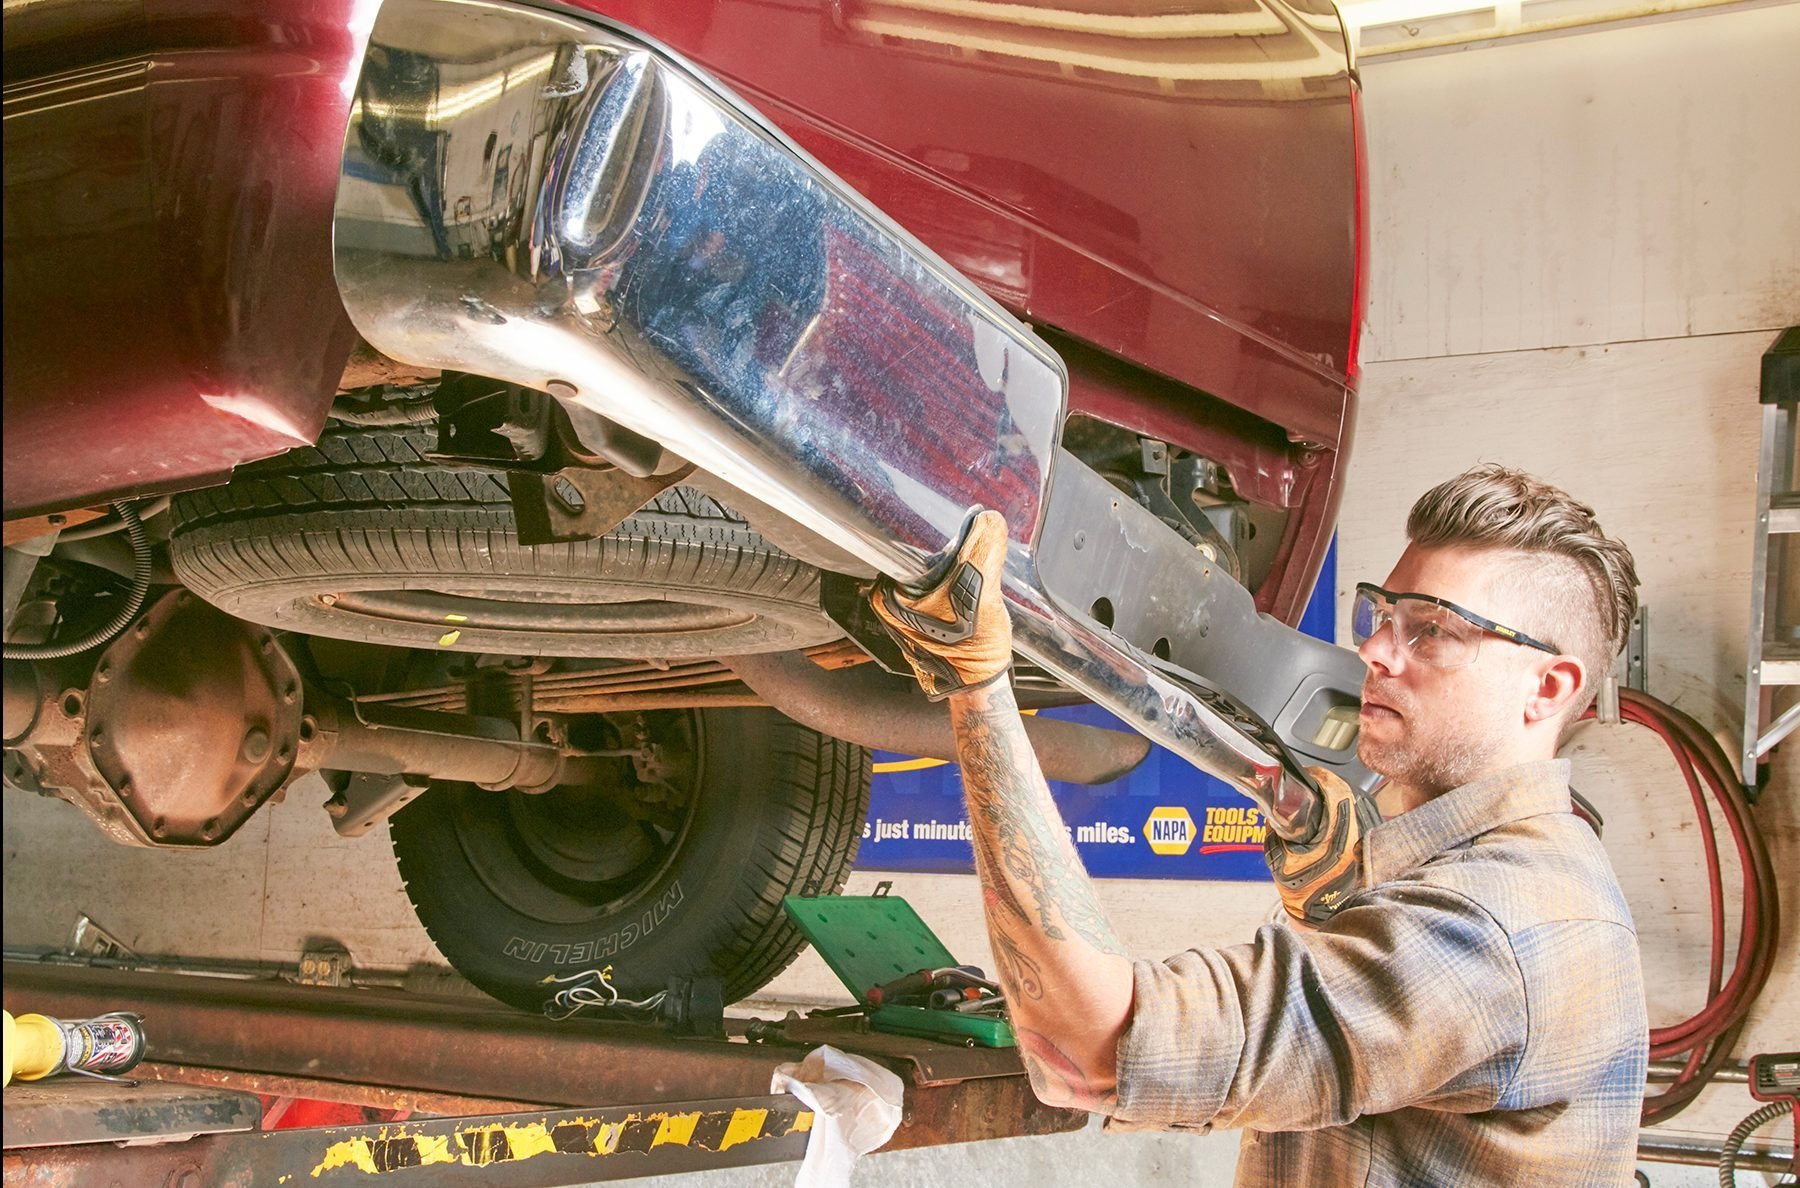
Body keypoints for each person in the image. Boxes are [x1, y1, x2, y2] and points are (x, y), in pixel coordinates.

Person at [869, 464, 1650, 1187]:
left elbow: (1089, 1050)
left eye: (1433, 629)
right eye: (1382, 612)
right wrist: (1336, 875)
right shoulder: (1514, 875)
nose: (1377, 648)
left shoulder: (1495, 932)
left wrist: (977, 689)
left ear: (1548, 686)